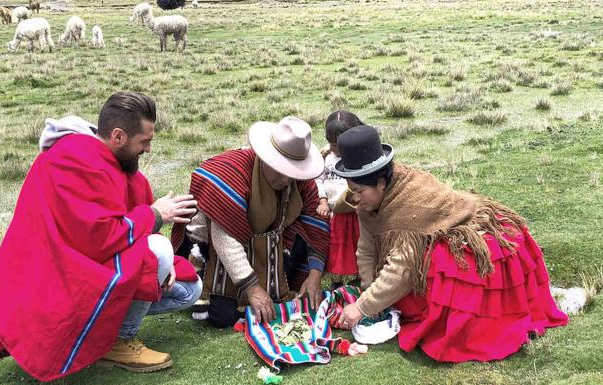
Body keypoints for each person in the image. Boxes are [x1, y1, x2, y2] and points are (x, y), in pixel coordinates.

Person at [0, 92, 202, 381]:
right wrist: (156, 215)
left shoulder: (107, 157)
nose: (148, 150)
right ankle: (120, 342)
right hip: (56, 278)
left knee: (190, 290)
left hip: (83, 265)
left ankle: (102, 330)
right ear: (119, 136)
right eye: (144, 142)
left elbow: (117, 222)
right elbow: (99, 237)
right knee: (157, 249)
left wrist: (166, 261)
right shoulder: (74, 160)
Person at [335, 125, 568, 362]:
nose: (354, 197)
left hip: (474, 236)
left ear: (381, 183)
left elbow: (401, 270)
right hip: (422, 239)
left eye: (358, 191)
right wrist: (368, 289)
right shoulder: (367, 201)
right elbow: (367, 248)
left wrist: (362, 307)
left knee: (438, 263)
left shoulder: (409, 205)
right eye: (351, 190)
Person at [171, 116, 329, 328]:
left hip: (269, 250)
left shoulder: (300, 181)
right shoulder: (232, 173)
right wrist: (253, 288)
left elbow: (315, 223)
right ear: (265, 158)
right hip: (217, 249)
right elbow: (224, 237)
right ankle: (206, 284)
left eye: (292, 173)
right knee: (223, 316)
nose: (286, 180)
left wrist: (315, 273)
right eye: (282, 171)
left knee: (286, 297)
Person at [315, 110, 363, 288]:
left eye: (339, 144)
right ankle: (337, 279)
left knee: (357, 245)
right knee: (337, 246)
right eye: (332, 144)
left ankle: (358, 276)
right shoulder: (326, 158)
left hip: (354, 211)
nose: (335, 148)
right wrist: (322, 200)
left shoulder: (358, 156)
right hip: (335, 213)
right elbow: (318, 180)